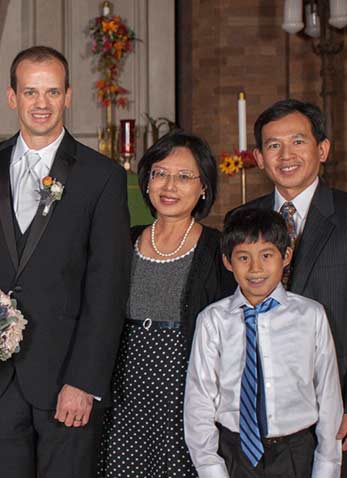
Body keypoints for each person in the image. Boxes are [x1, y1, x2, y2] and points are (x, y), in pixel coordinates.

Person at [0, 45, 131, 477]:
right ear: (12, 96)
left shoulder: (101, 176)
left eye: (52, 92)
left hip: (65, 376)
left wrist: (85, 380)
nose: (41, 103)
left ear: (69, 96)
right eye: (31, 92)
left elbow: (107, 286)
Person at [230, 99, 347, 477]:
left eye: (298, 142)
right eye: (273, 145)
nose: (285, 155)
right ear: (258, 157)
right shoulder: (241, 220)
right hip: (258, 409)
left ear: (322, 149)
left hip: (335, 405)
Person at [98, 132, 235, 478]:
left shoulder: (217, 249)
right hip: (125, 391)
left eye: (184, 176)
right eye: (160, 173)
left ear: (203, 187)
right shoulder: (125, 239)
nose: (169, 185)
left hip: (185, 393)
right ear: (146, 183)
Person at [185, 208, 343, 478]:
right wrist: (211, 467)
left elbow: (328, 395)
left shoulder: (311, 315)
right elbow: (199, 397)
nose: (255, 268)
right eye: (243, 258)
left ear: (286, 257)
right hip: (234, 451)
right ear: (227, 262)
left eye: (266, 256)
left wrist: (327, 466)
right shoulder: (213, 320)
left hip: (295, 450)